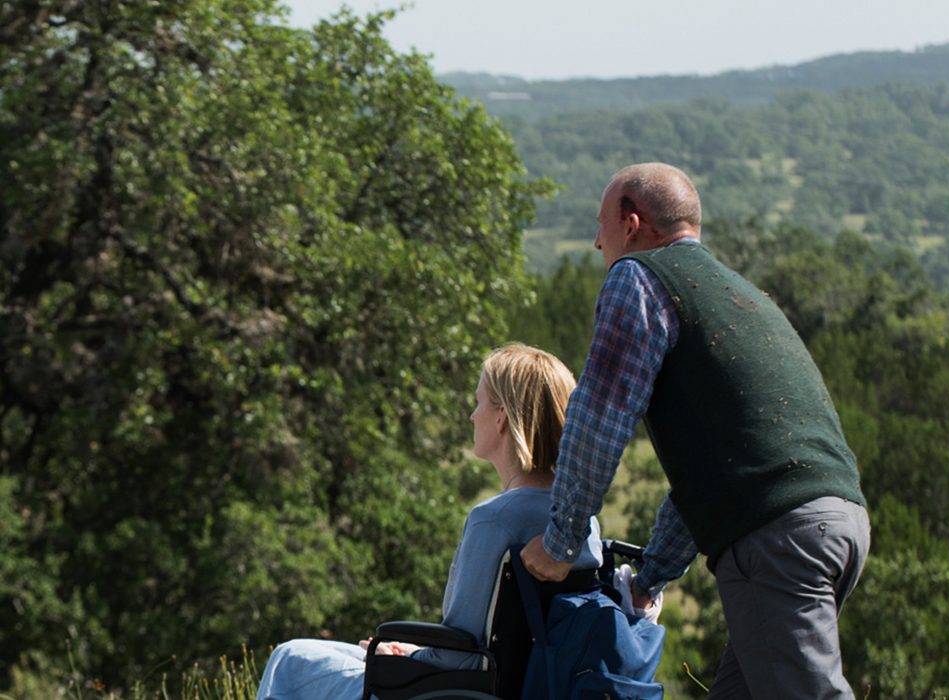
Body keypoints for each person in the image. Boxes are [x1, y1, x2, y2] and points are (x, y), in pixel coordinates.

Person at [520, 163, 870, 699]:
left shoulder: (638, 277)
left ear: (631, 222)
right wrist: (649, 578)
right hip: (839, 522)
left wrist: (562, 541)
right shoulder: (744, 296)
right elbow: (714, 471)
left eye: (601, 225)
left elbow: (600, 417)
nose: (596, 242)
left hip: (775, 535)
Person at [256, 343, 603, 700]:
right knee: (342, 651)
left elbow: (457, 652)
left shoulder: (494, 521)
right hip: (528, 684)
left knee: (290, 657)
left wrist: (411, 654)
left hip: (451, 688)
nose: (472, 415)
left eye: (478, 402)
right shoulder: (580, 525)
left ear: (501, 418)